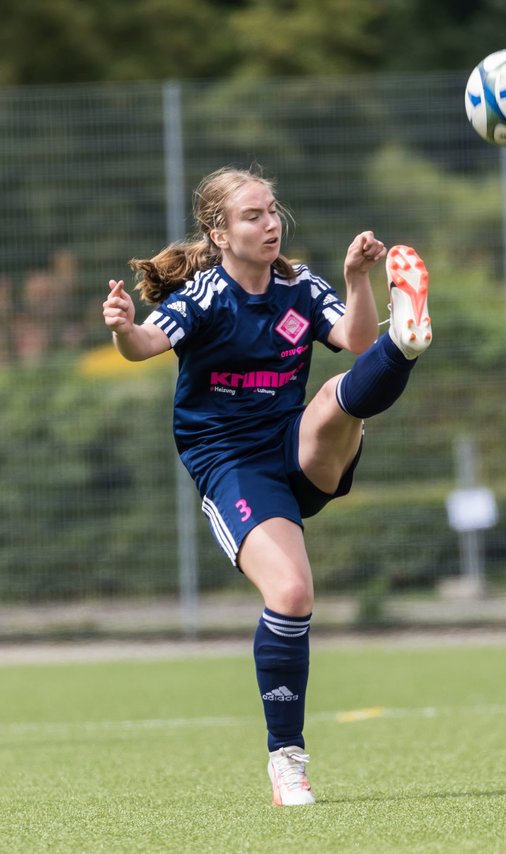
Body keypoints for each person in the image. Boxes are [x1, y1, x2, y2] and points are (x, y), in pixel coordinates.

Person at [101, 166, 431, 807]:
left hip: (295, 445)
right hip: (231, 465)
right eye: (253, 216)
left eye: (273, 210)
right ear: (220, 233)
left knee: (341, 394)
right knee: (292, 591)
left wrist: (357, 280)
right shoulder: (203, 298)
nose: (271, 223)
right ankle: (288, 763)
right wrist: (120, 325)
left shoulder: (300, 288)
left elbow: (353, 340)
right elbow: (143, 344)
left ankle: (407, 340)